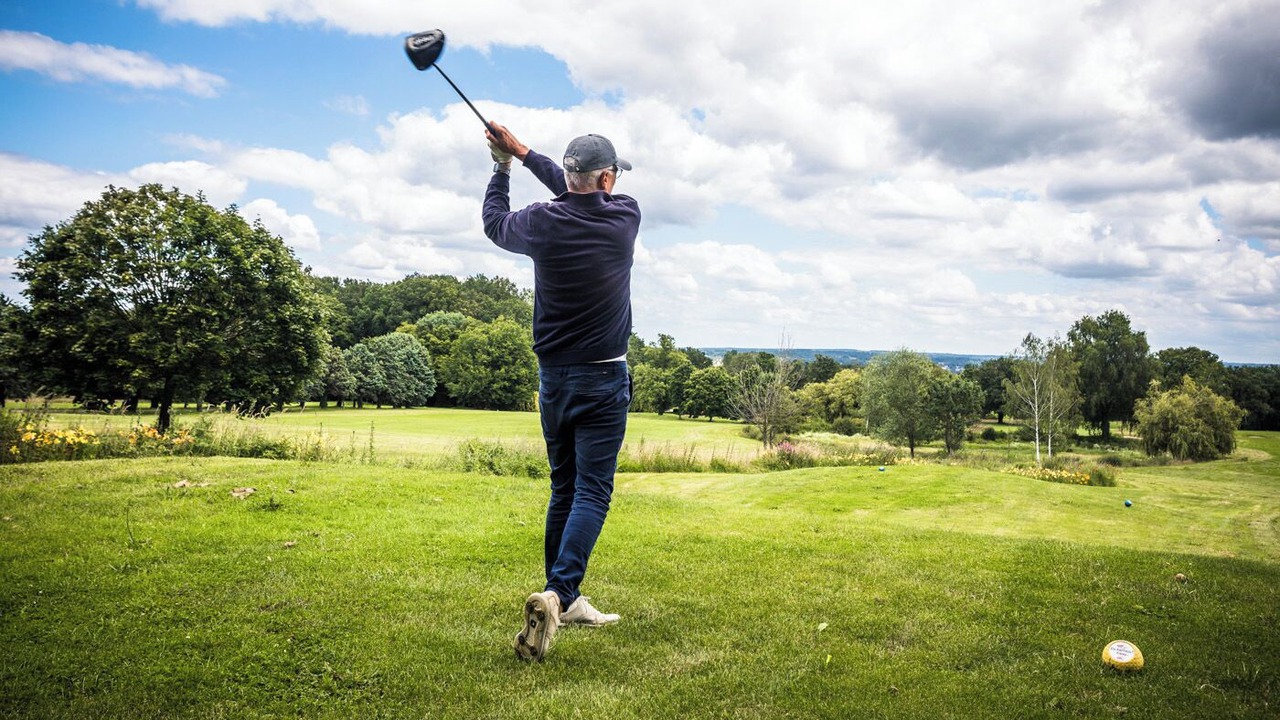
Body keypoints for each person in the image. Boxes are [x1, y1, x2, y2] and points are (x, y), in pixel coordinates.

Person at [482, 122, 640, 662]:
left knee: (563, 487)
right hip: (603, 379)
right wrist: (523, 153)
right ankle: (560, 593)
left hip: (554, 380)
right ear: (609, 178)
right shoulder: (624, 216)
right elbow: (579, 192)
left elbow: (495, 223)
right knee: (593, 491)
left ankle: (563, 600)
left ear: (572, 178)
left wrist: (505, 164)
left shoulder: (542, 223)